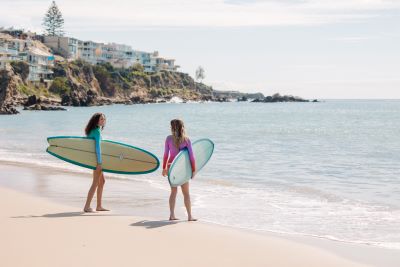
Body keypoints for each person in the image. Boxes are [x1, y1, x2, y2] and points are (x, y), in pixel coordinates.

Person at [162, 119, 197, 221]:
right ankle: (190, 216)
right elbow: (192, 157)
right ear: (182, 127)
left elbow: (165, 155)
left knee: (173, 192)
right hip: (183, 169)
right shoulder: (186, 140)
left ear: (172, 128)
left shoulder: (168, 139)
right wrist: (193, 170)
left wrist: (164, 168)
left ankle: (172, 215)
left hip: (171, 167)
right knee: (186, 193)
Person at [83, 113, 109, 212]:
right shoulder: (97, 131)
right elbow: (97, 147)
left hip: (94, 160)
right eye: (101, 119)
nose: (103, 121)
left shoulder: (92, 131)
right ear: (96, 120)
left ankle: (99, 206)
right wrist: (99, 163)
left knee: (102, 181)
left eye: (104, 119)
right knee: (95, 183)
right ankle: (86, 206)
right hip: (97, 161)